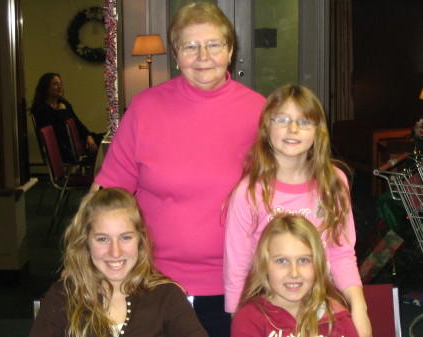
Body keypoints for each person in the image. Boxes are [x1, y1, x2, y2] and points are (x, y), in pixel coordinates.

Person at [91, 2, 266, 337]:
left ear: (230, 50)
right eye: (190, 46)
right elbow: (107, 195)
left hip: (238, 285)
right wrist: (91, 262)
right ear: (175, 54)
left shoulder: (260, 112)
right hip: (153, 282)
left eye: (213, 44)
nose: (203, 55)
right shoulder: (145, 109)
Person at [224, 84, 371, 337]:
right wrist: (238, 317)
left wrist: (359, 307)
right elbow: (238, 264)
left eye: (304, 122)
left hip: (321, 302)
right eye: (282, 119)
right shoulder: (249, 192)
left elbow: (341, 253)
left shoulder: (333, 182)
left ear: (318, 131)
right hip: (269, 309)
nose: (293, 129)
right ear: (266, 127)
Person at [29, 187, 209, 337]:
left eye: (125, 238)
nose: (115, 252)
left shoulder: (166, 296)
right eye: (102, 239)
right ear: (85, 243)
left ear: (139, 240)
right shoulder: (64, 296)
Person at [231, 214, 359, 337]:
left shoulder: (338, 317)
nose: (294, 273)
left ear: (317, 265)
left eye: (303, 260)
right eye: (282, 261)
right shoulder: (249, 319)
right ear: (264, 266)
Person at [31, 72, 102, 162]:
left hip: (78, 142)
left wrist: (88, 136)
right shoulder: (41, 110)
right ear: (46, 88)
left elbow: (77, 124)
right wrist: (61, 112)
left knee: (111, 138)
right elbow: (59, 134)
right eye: (55, 84)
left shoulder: (64, 104)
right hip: (66, 149)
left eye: (61, 84)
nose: (60, 87)